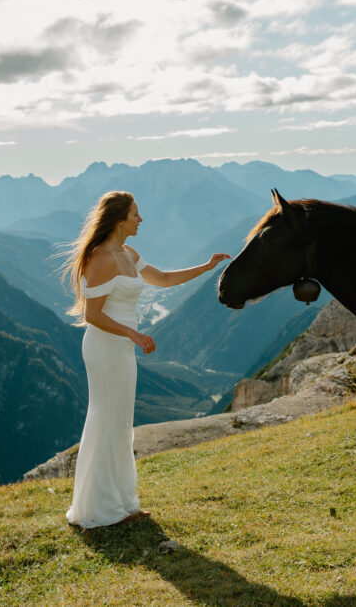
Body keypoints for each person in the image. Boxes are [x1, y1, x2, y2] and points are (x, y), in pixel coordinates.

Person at [62, 190, 230, 528]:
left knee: (121, 423)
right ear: (119, 219)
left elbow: (165, 280)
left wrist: (207, 266)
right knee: (107, 420)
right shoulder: (101, 258)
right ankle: (100, 509)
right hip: (106, 347)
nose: (141, 219)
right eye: (136, 214)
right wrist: (133, 334)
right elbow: (92, 314)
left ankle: (122, 504)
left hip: (120, 346)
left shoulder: (127, 253)